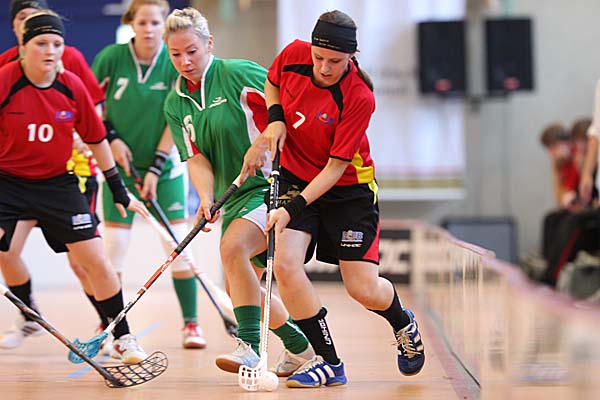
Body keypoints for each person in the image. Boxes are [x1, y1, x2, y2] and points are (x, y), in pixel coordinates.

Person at [261, 10, 425, 388]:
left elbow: (335, 168)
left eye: (335, 61)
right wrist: (275, 117)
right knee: (285, 265)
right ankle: (329, 361)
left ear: (352, 56)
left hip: (348, 190)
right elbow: (272, 82)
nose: (324, 67)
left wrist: (291, 208)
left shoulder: (359, 96)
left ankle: (402, 321)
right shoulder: (293, 54)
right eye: (319, 57)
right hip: (297, 176)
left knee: (362, 289)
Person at [163, 7, 314, 376]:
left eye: (191, 51)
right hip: (232, 195)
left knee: (233, 248)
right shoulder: (175, 103)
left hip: (273, 185)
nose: (184, 61)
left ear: (209, 44)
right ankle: (300, 347)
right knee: (238, 289)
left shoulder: (238, 74)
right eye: (176, 54)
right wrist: (205, 197)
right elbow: (196, 157)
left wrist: (265, 140)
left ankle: (249, 348)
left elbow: (287, 109)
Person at [0, 10, 151, 363]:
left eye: (57, 44)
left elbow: (97, 140)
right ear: (23, 47)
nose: (50, 51)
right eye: (41, 43)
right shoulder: (6, 80)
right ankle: (29, 313)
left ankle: (123, 336)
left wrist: (118, 189)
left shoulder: (70, 85)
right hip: (8, 184)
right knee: (5, 251)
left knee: (95, 260)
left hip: (58, 185)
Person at [91, 0, 206, 351]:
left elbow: (176, 118)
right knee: (114, 250)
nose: (149, 29)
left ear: (164, 25)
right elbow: (92, 106)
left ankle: (191, 323)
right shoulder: (111, 58)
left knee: (177, 246)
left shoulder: (173, 62)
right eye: (142, 22)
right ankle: (109, 323)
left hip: (166, 169)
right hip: (118, 169)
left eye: (156, 22)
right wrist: (112, 139)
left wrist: (156, 166)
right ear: (131, 23)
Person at [0, 0, 109, 349]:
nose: (30, 22)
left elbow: (93, 112)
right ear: (16, 29)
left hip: (69, 172)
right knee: (6, 251)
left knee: (83, 261)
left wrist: (79, 137)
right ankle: (28, 314)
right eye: (23, 18)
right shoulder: (5, 68)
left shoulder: (68, 59)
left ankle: (110, 328)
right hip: (14, 179)